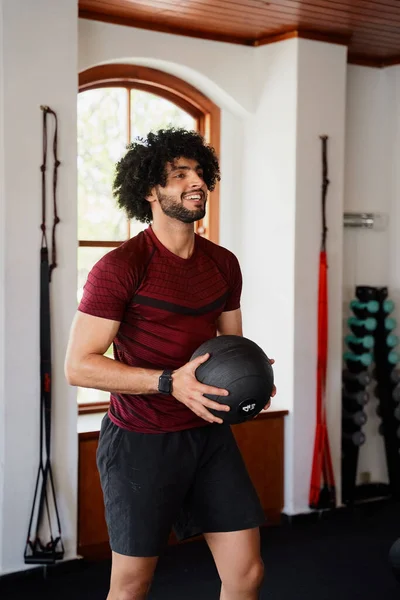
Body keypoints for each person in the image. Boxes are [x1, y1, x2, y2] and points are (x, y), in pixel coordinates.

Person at [65, 128, 275, 600]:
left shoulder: (223, 263)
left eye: (200, 172)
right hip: (142, 441)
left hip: (208, 434)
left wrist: (252, 375)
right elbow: (79, 366)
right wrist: (167, 382)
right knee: (132, 585)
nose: (195, 182)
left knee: (247, 572)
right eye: (179, 175)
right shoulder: (121, 266)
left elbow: (231, 344)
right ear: (149, 190)